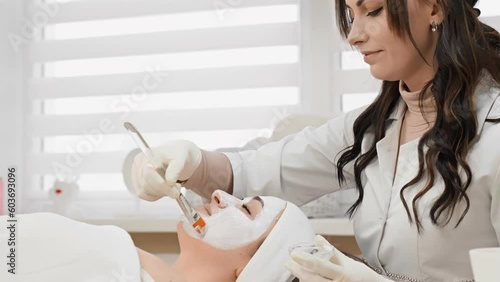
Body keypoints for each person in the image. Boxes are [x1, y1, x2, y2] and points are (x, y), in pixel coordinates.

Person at [131, 0, 500, 281]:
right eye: (351, 15)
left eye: (372, 10)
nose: (354, 35)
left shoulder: (493, 135)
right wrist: (191, 163)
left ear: (434, 7)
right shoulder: (369, 128)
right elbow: (264, 170)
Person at [0, 190, 314, 282]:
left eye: (246, 210)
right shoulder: (104, 252)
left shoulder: (98, 253)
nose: (220, 195)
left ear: (253, 269)